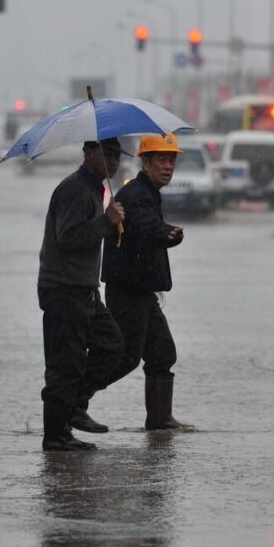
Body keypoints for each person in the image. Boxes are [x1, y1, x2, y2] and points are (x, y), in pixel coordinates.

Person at [95, 133, 195, 431]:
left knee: (162, 353)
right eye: (162, 160)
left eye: (172, 161)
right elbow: (144, 226)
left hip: (140, 290)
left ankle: (160, 420)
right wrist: (166, 232)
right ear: (146, 163)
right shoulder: (137, 194)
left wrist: (165, 235)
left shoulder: (148, 192)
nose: (168, 167)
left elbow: (143, 232)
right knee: (125, 357)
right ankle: (72, 399)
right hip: (127, 291)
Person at [38, 138, 126, 452]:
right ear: (88, 153)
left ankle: (75, 405)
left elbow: (90, 234)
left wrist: (111, 225)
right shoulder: (75, 188)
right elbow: (69, 236)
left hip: (85, 290)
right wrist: (107, 221)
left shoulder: (95, 189)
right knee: (65, 364)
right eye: (108, 154)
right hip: (64, 289)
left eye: (117, 156)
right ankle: (56, 436)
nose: (114, 162)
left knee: (112, 346)